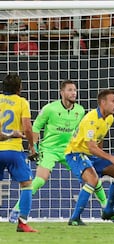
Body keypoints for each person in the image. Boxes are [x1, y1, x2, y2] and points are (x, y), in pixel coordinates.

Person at [9, 80, 108, 224]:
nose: (73, 93)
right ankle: (17, 209)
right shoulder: (50, 108)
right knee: (40, 180)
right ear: (62, 93)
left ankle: (106, 207)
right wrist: (33, 147)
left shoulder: (80, 110)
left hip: (70, 150)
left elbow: (84, 130)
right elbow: (36, 127)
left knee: (92, 177)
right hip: (49, 150)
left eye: (75, 90)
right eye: (69, 90)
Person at [64, 89, 114, 225]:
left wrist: (103, 159)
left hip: (91, 154)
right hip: (75, 153)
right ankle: (74, 218)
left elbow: (99, 140)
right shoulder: (90, 119)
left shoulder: (109, 118)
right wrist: (110, 158)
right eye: (113, 101)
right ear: (103, 103)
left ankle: (108, 211)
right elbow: (91, 146)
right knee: (92, 180)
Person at [0, 73, 38, 232]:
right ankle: (22, 223)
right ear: (19, 88)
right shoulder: (22, 102)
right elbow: (28, 128)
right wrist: (31, 146)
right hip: (14, 151)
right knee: (27, 184)